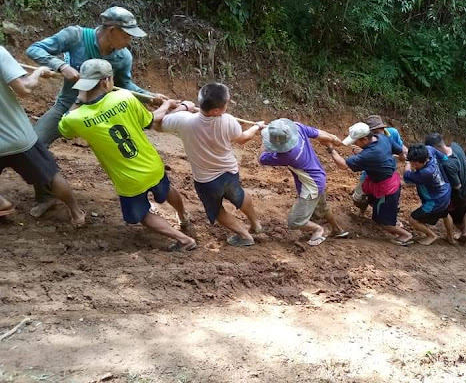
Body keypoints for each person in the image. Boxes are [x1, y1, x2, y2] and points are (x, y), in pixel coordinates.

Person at [26, 6, 167, 217]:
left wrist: (150, 96)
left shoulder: (123, 57)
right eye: (127, 34)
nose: (130, 40)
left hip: (106, 112)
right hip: (69, 106)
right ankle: (46, 196)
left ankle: (147, 194)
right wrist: (60, 66)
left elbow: (125, 85)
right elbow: (35, 49)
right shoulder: (75, 36)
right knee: (34, 147)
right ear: (111, 30)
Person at [58, 59, 196, 251]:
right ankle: (183, 216)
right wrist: (170, 106)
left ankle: (183, 240)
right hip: (151, 164)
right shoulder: (124, 97)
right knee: (167, 189)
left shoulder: (76, 118)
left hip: (128, 179)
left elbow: (64, 130)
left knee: (143, 215)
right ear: (106, 82)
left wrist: (79, 98)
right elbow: (151, 120)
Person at [158, 82, 264, 247]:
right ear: (216, 110)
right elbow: (243, 138)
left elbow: (159, 123)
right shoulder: (228, 121)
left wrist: (182, 107)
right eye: (226, 103)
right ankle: (255, 225)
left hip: (207, 181)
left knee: (216, 210)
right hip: (229, 172)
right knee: (239, 196)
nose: (228, 105)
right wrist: (257, 126)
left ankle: (245, 235)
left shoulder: (184, 120)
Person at [0, 46, 85, 225]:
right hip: (18, 137)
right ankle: (77, 213)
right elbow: (24, 88)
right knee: (51, 175)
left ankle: (2, 204)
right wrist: (39, 72)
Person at [259, 118, 349, 246]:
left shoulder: (286, 155)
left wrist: (265, 137)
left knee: (295, 222)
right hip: (319, 177)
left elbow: (261, 158)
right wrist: (334, 140)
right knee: (322, 207)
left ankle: (318, 230)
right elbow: (322, 134)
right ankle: (338, 230)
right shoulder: (297, 128)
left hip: (311, 186)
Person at [329, 122, 413, 246]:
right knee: (369, 199)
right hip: (386, 180)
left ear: (365, 139)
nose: (354, 144)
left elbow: (343, 165)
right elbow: (400, 150)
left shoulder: (371, 153)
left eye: (356, 141)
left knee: (383, 222)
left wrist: (330, 149)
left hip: (387, 188)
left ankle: (405, 235)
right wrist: (400, 158)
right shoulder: (382, 138)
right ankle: (389, 214)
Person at [424, 133, 466, 243]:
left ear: (435, 148)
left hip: (461, 194)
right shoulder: (456, 146)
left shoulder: (447, 164)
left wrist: (449, 200)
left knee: (446, 213)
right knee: (464, 209)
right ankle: (465, 231)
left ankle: (450, 237)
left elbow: (457, 186)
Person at [352, 115, 407, 215]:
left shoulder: (393, 133)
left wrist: (403, 155)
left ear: (382, 128)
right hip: (369, 173)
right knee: (359, 197)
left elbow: (402, 148)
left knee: (388, 198)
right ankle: (362, 210)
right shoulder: (366, 138)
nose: (372, 135)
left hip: (387, 174)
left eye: (374, 132)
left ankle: (390, 217)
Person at [403, 144, 454, 245]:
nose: (414, 165)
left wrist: (408, 163)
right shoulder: (429, 149)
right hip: (446, 191)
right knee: (445, 214)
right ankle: (450, 238)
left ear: (423, 160)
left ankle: (431, 236)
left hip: (435, 201)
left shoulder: (425, 172)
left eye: (415, 163)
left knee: (413, 219)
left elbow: (406, 176)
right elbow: (444, 158)